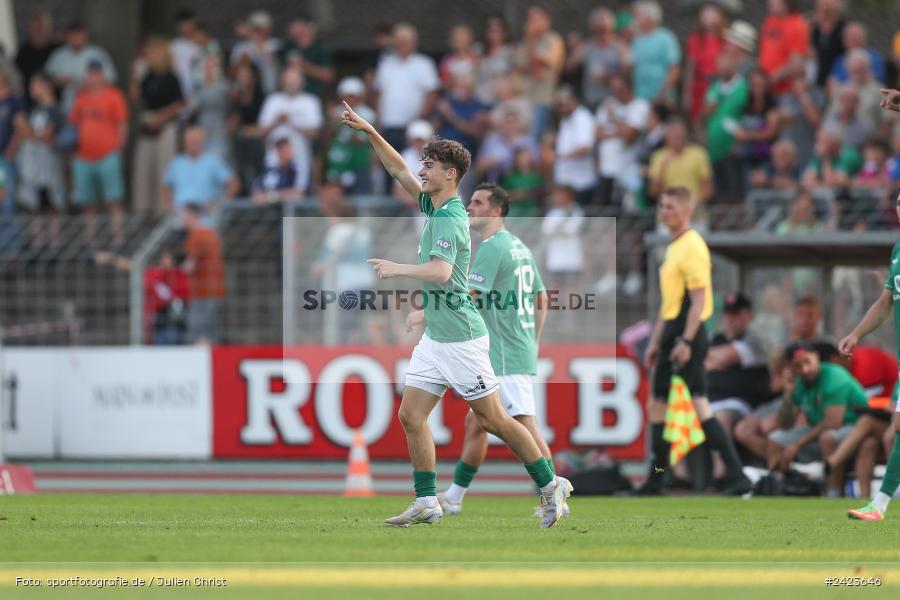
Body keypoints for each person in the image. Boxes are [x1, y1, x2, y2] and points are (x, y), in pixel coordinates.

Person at [340, 101, 572, 528]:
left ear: (451, 174)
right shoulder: (434, 206)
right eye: (423, 163)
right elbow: (398, 172)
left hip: (463, 338)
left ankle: (550, 482)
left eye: (429, 165)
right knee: (411, 415)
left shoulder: (449, 217)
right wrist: (371, 131)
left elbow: (443, 272)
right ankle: (428, 501)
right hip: (438, 339)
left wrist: (397, 269)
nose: (421, 170)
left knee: (494, 418)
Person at [435, 182, 558, 517]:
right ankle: (455, 496)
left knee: (524, 425)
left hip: (503, 353)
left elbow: (469, 296)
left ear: (497, 210)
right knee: (477, 423)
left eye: (477, 202)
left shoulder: (491, 247)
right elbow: (541, 297)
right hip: (513, 348)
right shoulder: (518, 246)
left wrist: (427, 313)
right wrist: (533, 340)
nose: (470, 208)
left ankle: (553, 495)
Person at [635, 186, 752, 496]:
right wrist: (657, 342)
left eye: (671, 206)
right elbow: (668, 304)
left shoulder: (692, 246)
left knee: (700, 404)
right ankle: (656, 477)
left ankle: (737, 474)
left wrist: (685, 342)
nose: (664, 211)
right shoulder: (673, 246)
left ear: (688, 210)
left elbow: (698, 303)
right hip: (674, 332)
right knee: (658, 407)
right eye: (661, 206)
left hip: (688, 333)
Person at [838, 186, 900, 519]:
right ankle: (879, 504)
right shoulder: (898, 250)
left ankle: (880, 504)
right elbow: (885, 303)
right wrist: (855, 333)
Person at [767, 341, 869, 497]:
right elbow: (784, 424)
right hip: (817, 429)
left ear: (816, 356)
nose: (805, 370)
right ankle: (778, 488)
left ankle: (832, 494)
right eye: (798, 366)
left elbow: (833, 423)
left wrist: (797, 444)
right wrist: (788, 392)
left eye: (807, 362)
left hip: (853, 427)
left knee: (827, 439)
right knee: (775, 439)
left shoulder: (834, 376)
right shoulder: (800, 382)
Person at [69, 61, 127, 242]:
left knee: (113, 200)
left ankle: (119, 239)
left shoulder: (114, 95)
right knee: (87, 203)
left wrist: (118, 149)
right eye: (90, 73)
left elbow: (122, 124)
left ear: (103, 75)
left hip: (108, 154)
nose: (93, 77)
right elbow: (73, 125)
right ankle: (90, 241)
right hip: (83, 157)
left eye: (97, 73)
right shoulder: (81, 97)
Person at [130, 37, 185, 215]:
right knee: (144, 170)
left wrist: (161, 117)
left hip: (165, 126)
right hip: (147, 125)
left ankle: (164, 211)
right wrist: (136, 77)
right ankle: (143, 209)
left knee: (163, 170)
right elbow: (135, 97)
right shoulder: (147, 76)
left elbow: (179, 104)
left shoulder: (172, 77)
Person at [706, 293, 772, 437]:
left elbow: (725, 357)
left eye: (735, 314)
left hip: (741, 403)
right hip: (712, 400)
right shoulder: (718, 338)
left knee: (721, 419)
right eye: (727, 314)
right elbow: (700, 360)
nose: (730, 319)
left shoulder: (754, 338)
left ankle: (722, 461)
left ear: (747, 315)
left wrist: (714, 360)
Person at [373, 23, 440, 155]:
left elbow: (432, 94)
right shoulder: (385, 64)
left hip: (413, 128)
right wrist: (378, 121)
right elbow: (378, 94)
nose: (402, 44)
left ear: (414, 43)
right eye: (399, 41)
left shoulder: (424, 64)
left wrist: (420, 118)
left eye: (405, 41)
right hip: (388, 126)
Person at [258, 67, 323, 191]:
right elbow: (260, 132)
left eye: (294, 80)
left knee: (298, 194)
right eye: (288, 80)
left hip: (299, 160)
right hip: (273, 160)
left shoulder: (311, 101)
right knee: (270, 192)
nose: (290, 84)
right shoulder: (272, 100)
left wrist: (292, 122)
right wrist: (276, 121)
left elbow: (315, 133)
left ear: (302, 82)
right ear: (282, 81)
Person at [594, 72, 649, 209]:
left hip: (627, 169)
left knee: (624, 209)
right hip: (606, 169)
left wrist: (613, 118)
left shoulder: (640, 106)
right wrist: (620, 132)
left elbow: (630, 136)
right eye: (613, 89)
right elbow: (598, 133)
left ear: (629, 88)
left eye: (619, 90)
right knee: (605, 209)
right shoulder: (608, 103)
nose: (615, 94)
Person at [513, 6, 565, 141]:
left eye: (536, 20)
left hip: (543, 100)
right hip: (523, 99)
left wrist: (530, 40)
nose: (532, 23)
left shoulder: (553, 40)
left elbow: (536, 65)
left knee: (533, 140)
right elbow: (519, 68)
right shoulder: (523, 44)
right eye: (530, 20)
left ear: (546, 21)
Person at [704, 51, 748, 205]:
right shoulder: (714, 87)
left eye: (726, 63)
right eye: (719, 63)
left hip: (732, 148)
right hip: (713, 150)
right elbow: (707, 111)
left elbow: (745, 112)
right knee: (719, 193)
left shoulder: (743, 86)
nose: (722, 67)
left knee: (734, 191)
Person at [162, 126, 239, 214]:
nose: (194, 142)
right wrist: (169, 208)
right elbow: (165, 187)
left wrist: (218, 204)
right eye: (190, 139)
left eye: (197, 139)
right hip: (180, 218)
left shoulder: (213, 161)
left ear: (203, 140)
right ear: (184, 141)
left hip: (205, 218)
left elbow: (234, 184)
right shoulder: (176, 163)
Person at [566, 8, 629, 109]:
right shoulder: (587, 47)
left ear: (611, 28)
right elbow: (569, 67)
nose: (601, 32)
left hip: (612, 101)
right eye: (597, 29)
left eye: (604, 29)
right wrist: (574, 49)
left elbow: (627, 70)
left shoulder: (619, 46)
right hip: (591, 99)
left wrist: (608, 76)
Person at [45, 22, 116, 112]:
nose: (75, 38)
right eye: (71, 35)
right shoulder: (59, 55)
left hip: (95, 108)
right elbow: (45, 80)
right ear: (66, 37)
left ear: (85, 35)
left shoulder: (98, 54)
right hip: (67, 107)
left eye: (78, 34)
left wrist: (88, 85)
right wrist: (58, 80)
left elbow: (111, 80)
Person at [181, 204, 225, 344]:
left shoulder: (196, 236)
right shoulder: (212, 234)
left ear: (192, 216)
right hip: (216, 289)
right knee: (211, 332)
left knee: (197, 331)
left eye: (184, 217)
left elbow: (190, 266)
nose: (182, 221)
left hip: (202, 292)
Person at [552, 87, 596, 207]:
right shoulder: (566, 119)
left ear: (574, 100)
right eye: (558, 104)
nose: (561, 108)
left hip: (579, 183)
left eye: (563, 103)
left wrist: (559, 157)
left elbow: (585, 147)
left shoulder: (582, 118)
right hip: (567, 183)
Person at [630, 1, 680, 103]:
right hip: (640, 96)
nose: (635, 18)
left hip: (661, 98)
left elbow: (674, 68)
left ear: (650, 17)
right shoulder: (636, 39)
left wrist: (663, 92)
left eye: (638, 15)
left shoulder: (665, 38)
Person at [684, 3, 726, 123]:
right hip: (699, 85)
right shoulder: (695, 39)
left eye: (713, 15)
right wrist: (687, 94)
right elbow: (690, 69)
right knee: (697, 120)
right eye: (706, 16)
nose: (710, 19)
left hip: (718, 86)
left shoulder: (724, 39)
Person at [757, 0, 810, 96]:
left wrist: (770, 80)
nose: (769, 2)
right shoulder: (769, 21)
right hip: (764, 89)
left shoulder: (797, 24)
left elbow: (796, 65)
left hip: (784, 92)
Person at [279, 18, 335, 97]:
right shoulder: (289, 45)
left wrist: (303, 65)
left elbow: (328, 76)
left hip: (313, 93)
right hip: (289, 94)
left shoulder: (320, 48)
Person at [229, 10, 280, 95]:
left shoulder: (275, 44)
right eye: (254, 28)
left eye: (259, 29)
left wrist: (254, 38)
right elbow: (232, 72)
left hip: (269, 91)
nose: (257, 32)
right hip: (245, 94)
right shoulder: (240, 47)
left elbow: (273, 60)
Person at [14, 11, 60, 106]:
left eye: (42, 27)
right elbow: (17, 78)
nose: (39, 30)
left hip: (55, 101)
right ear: (29, 29)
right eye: (36, 27)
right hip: (30, 102)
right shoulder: (23, 52)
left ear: (49, 29)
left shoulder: (58, 50)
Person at [474, 16, 514, 106]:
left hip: (502, 99)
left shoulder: (510, 51)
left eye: (497, 31)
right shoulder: (478, 50)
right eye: (491, 30)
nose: (494, 34)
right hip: (480, 97)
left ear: (504, 33)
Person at [251, 138, 306, 203]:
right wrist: (282, 195)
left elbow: (299, 195)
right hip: (270, 211)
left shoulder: (298, 169)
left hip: (294, 211)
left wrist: (273, 196)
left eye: (288, 149)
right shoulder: (271, 170)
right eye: (283, 150)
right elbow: (257, 196)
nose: (288, 153)